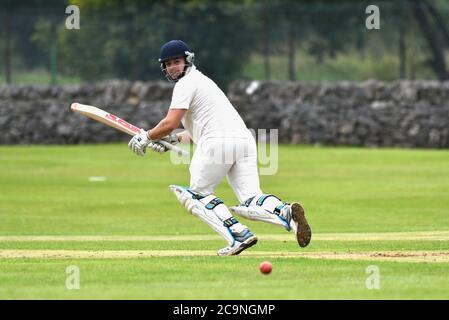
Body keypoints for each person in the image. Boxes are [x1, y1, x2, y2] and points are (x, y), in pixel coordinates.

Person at [128, 40, 311, 256]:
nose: (172, 67)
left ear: (187, 60)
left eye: (176, 62)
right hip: (243, 141)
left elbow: (170, 122)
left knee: (196, 195)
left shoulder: (185, 84)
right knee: (251, 198)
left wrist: (146, 137)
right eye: (167, 64)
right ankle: (285, 211)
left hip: (217, 142)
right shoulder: (204, 81)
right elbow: (196, 129)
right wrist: (171, 141)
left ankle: (238, 235)